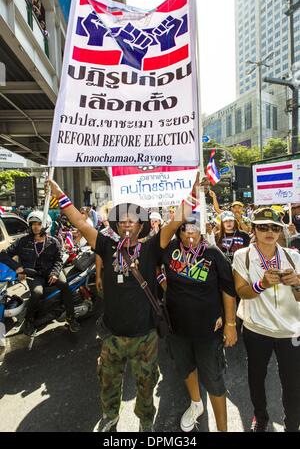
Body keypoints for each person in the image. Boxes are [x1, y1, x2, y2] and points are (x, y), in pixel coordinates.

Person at [48, 174, 200, 433]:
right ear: (118, 226)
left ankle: (145, 422)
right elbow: (80, 223)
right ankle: (110, 417)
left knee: (146, 384)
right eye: (123, 221)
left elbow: (175, 223)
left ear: (141, 226)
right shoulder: (107, 246)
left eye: (132, 221)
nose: (127, 224)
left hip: (145, 337)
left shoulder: (151, 247)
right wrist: (59, 192)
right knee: (108, 381)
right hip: (112, 335)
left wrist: (194, 194)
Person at [161, 214, 237, 432]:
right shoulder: (168, 248)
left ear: (202, 229)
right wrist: (164, 285)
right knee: (185, 368)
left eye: (194, 227)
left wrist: (230, 324)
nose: (189, 232)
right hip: (176, 328)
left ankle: (222, 429)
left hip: (208, 331)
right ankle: (196, 404)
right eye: (184, 228)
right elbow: (154, 266)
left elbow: (228, 289)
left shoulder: (213, 253)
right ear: (177, 230)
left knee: (213, 378)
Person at [233, 208, 300, 432]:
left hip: (290, 330)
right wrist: (260, 285)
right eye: (263, 227)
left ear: (280, 230)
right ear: (253, 229)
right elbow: (241, 292)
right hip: (257, 329)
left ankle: (292, 423)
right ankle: (260, 417)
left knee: (293, 383)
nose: (269, 231)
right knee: (256, 378)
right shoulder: (242, 255)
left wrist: (296, 283)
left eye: (274, 227)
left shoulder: (294, 256)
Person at [0, 210, 80, 334]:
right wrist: (17, 267)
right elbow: (4, 255)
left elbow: (59, 260)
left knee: (65, 286)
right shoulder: (23, 241)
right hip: (34, 274)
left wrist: (54, 273)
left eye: (38, 224)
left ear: (46, 225)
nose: (35, 227)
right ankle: (29, 320)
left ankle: (71, 317)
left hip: (51, 271)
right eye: (32, 224)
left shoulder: (54, 242)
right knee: (37, 292)